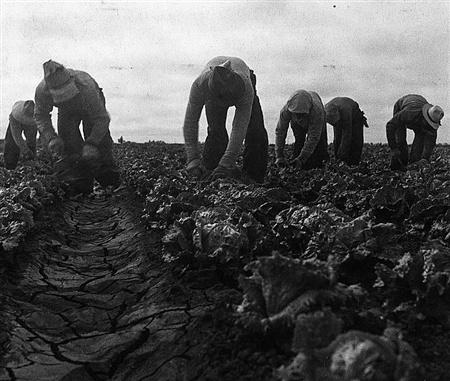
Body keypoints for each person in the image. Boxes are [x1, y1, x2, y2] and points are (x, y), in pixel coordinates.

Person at [34, 60, 120, 193]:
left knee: (100, 143)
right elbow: (40, 115)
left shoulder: (86, 86)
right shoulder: (41, 91)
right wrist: (51, 137)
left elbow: (101, 118)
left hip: (89, 106)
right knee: (69, 144)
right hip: (66, 111)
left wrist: (92, 143)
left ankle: (110, 183)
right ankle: (80, 186)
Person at [182, 56, 268, 183]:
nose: (226, 104)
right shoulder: (200, 85)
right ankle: (210, 171)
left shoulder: (246, 89)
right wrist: (193, 159)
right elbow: (190, 122)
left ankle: (253, 177)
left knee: (256, 130)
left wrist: (226, 163)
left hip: (245, 76)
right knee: (216, 131)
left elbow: (239, 127)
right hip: (213, 89)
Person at [386, 94, 444, 170]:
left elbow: (431, 143)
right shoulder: (408, 113)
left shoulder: (433, 121)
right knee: (400, 139)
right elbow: (390, 125)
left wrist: (425, 158)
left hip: (418, 105)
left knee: (420, 140)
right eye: (428, 123)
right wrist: (393, 148)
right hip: (402, 105)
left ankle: (413, 164)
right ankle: (398, 166)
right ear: (425, 118)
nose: (429, 126)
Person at [275, 90, 329, 169]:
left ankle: (320, 165)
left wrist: (302, 159)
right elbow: (280, 131)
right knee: (299, 140)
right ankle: (296, 163)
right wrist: (279, 156)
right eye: (296, 114)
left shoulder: (317, 112)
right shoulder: (286, 110)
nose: (299, 118)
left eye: (301, 115)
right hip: (296, 122)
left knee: (320, 144)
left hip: (316, 118)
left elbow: (313, 137)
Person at [325, 97, 368, 165]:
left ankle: (354, 163)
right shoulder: (325, 110)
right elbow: (337, 138)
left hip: (355, 117)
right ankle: (338, 161)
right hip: (339, 116)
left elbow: (347, 134)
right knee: (337, 139)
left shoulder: (345, 111)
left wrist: (342, 154)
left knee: (356, 141)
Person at [3, 100, 37, 169]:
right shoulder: (15, 116)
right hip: (15, 120)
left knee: (31, 143)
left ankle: (30, 164)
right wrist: (25, 151)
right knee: (11, 142)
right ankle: (10, 166)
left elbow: (32, 138)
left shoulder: (35, 117)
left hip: (31, 123)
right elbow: (17, 136)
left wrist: (30, 151)